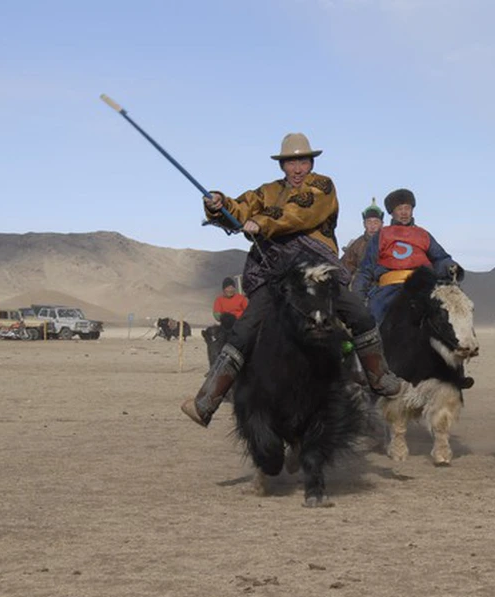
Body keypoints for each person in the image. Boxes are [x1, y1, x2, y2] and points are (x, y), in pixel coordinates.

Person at [180, 133, 407, 427]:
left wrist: (260, 223)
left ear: (311, 162)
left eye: (303, 161)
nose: (298, 168)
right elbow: (240, 208)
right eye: (291, 162)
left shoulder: (322, 185)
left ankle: (378, 377)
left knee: (359, 313)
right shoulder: (267, 191)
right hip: (275, 268)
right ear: (282, 166)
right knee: (244, 329)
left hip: (316, 266)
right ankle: (207, 400)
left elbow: (300, 214)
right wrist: (218, 204)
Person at [352, 188, 460, 323]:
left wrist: (450, 266)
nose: (404, 212)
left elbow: (440, 258)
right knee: (374, 319)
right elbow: (366, 269)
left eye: (407, 208)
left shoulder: (423, 234)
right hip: (388, 289)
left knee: (447, 318)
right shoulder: (381, 235)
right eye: (400, 209)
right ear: (392, 212)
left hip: (422, 286)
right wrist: (357, 298)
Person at [340, 199, 384, 278]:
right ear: (364, 224)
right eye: (369, 222)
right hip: (361, 281)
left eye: (376, 222)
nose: (372, 226)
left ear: (381, 224)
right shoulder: (357, 244)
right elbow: (345, 266)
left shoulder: (388, 241)